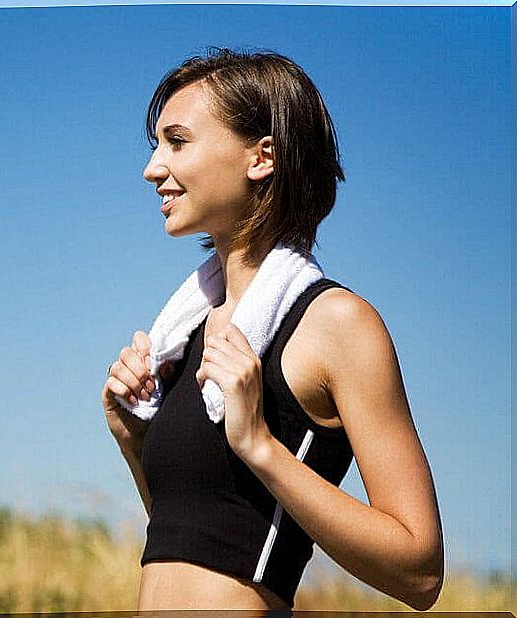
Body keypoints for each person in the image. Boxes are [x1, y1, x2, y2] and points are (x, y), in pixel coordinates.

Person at [101, 48, 444, 611]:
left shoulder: (337, 324)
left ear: (261, 157)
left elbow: (420, 570)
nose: (152, 168)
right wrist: (132, 436)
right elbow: (199, 540)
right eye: (156, 145)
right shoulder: (186, 334)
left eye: (178, 142)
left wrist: (259, 446)